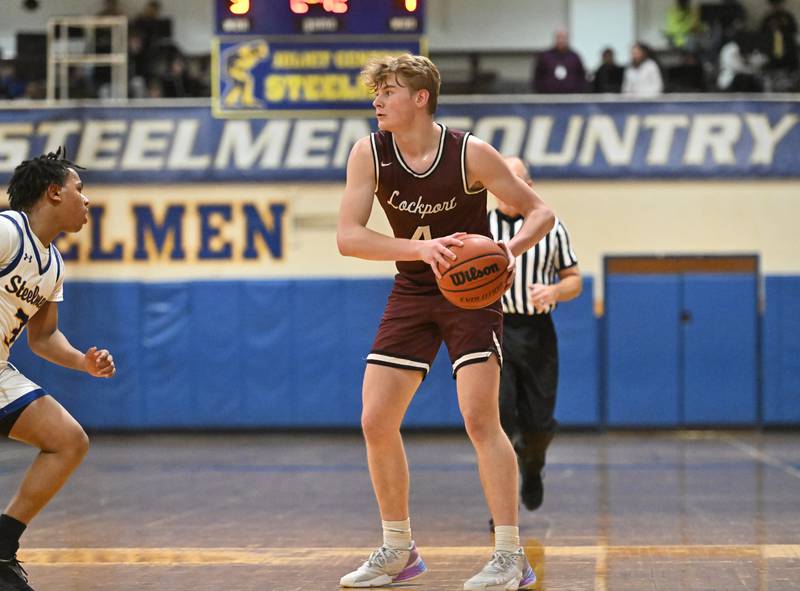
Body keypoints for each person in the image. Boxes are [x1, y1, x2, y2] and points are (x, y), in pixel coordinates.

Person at [337, 54, 554, 591]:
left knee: (481, 421)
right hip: (413, 288)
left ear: (420, 97)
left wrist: (506, 249)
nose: (377, 100)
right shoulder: (369, 152)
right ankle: (398, 549)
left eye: (387, 91)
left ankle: (510, 556)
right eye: (376, 92)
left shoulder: (469, 152)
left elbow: (540, 212)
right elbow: (349, 237)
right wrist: (422, 248)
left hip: (470, 295)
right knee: (375, 419)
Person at [0, 148, 116, 590]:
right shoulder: (8, 230)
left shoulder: (53, 265)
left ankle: (2, 546)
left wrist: (83, 361)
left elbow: (44, 338)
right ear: (53, 192)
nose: (86, 201)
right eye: (79, 190)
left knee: (68, 441)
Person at [488, 157, 581, 527]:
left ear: (529, 185)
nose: (509, 187)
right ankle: (502, 509)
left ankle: (534, 465)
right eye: (501, 179)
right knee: (500, 421)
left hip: (539, 333)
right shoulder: (479, 228)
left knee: (538, 424)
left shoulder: (552, 228)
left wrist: (556, 289)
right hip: (494, 329)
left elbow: (575, 279)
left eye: (516, 180)